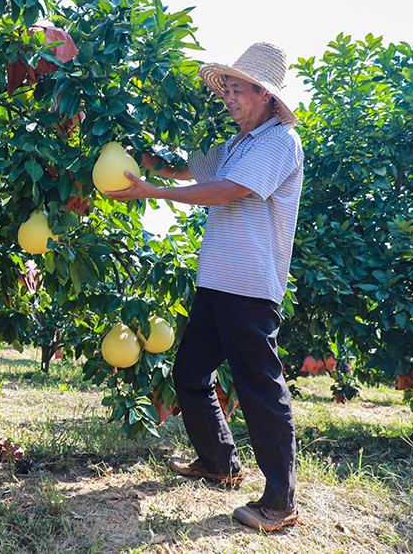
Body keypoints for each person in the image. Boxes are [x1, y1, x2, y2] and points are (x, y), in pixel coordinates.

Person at [106, 42, 303, 531]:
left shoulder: (279, 142)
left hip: (251, 287)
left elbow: (228, 191)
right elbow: (194, 170)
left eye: (238, 90)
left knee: (261, 388)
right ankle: (219, 463)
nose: (230, 99)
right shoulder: (238, 143)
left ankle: (280, 502)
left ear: (265, 95)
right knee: (191, 372)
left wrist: (154, 194)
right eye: (228, 90)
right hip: (218, 282)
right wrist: (140, 163)